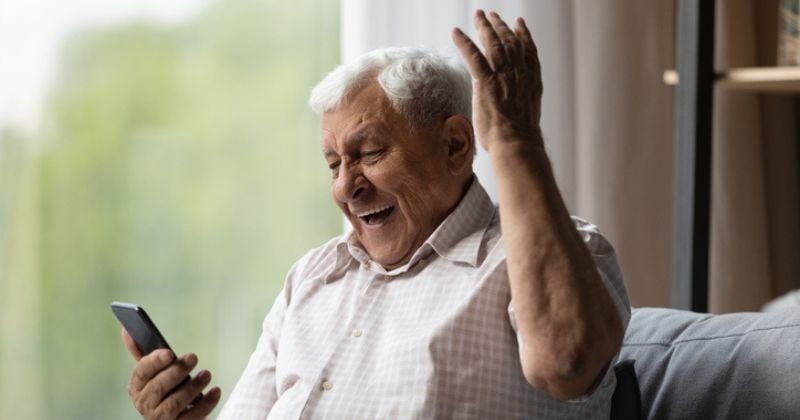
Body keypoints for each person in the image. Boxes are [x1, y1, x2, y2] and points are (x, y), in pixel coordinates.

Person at [120, 10, 630, 419]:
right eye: (333, 163)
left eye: (368, 154)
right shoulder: (313, 277)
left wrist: (516, 139)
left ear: (455, 145)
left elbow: (568, 362)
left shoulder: (563, 256)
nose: (347, 186)